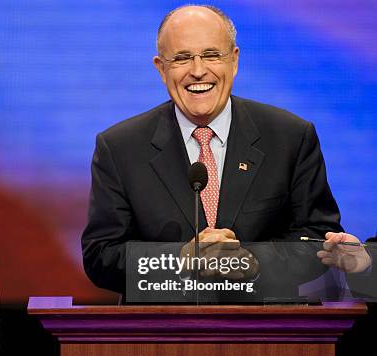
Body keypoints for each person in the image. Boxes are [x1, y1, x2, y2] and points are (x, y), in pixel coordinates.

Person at [81, 5, 343, 294]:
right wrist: (177, 260)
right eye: (182, 58)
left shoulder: (290, 136)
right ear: (161, 68)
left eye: (211, 55)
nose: (197, 71)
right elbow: (100, 256)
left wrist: (251, 263)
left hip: (266, 331)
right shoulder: (119, 148)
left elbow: (317, 238)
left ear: (234, 60)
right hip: (158, 331)